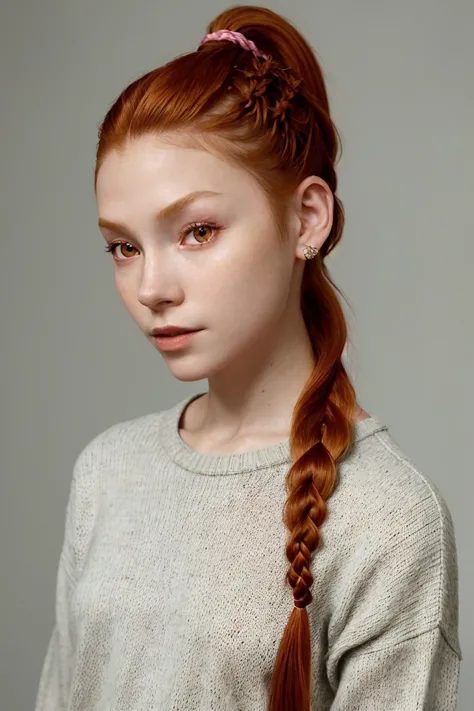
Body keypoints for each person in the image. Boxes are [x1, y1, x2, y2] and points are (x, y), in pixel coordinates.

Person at [34, 5, 462, 711]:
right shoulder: (105, 474)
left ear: (307, 219)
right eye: (123, 246)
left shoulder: (388, 517)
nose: (151, 288)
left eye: (198, 231)